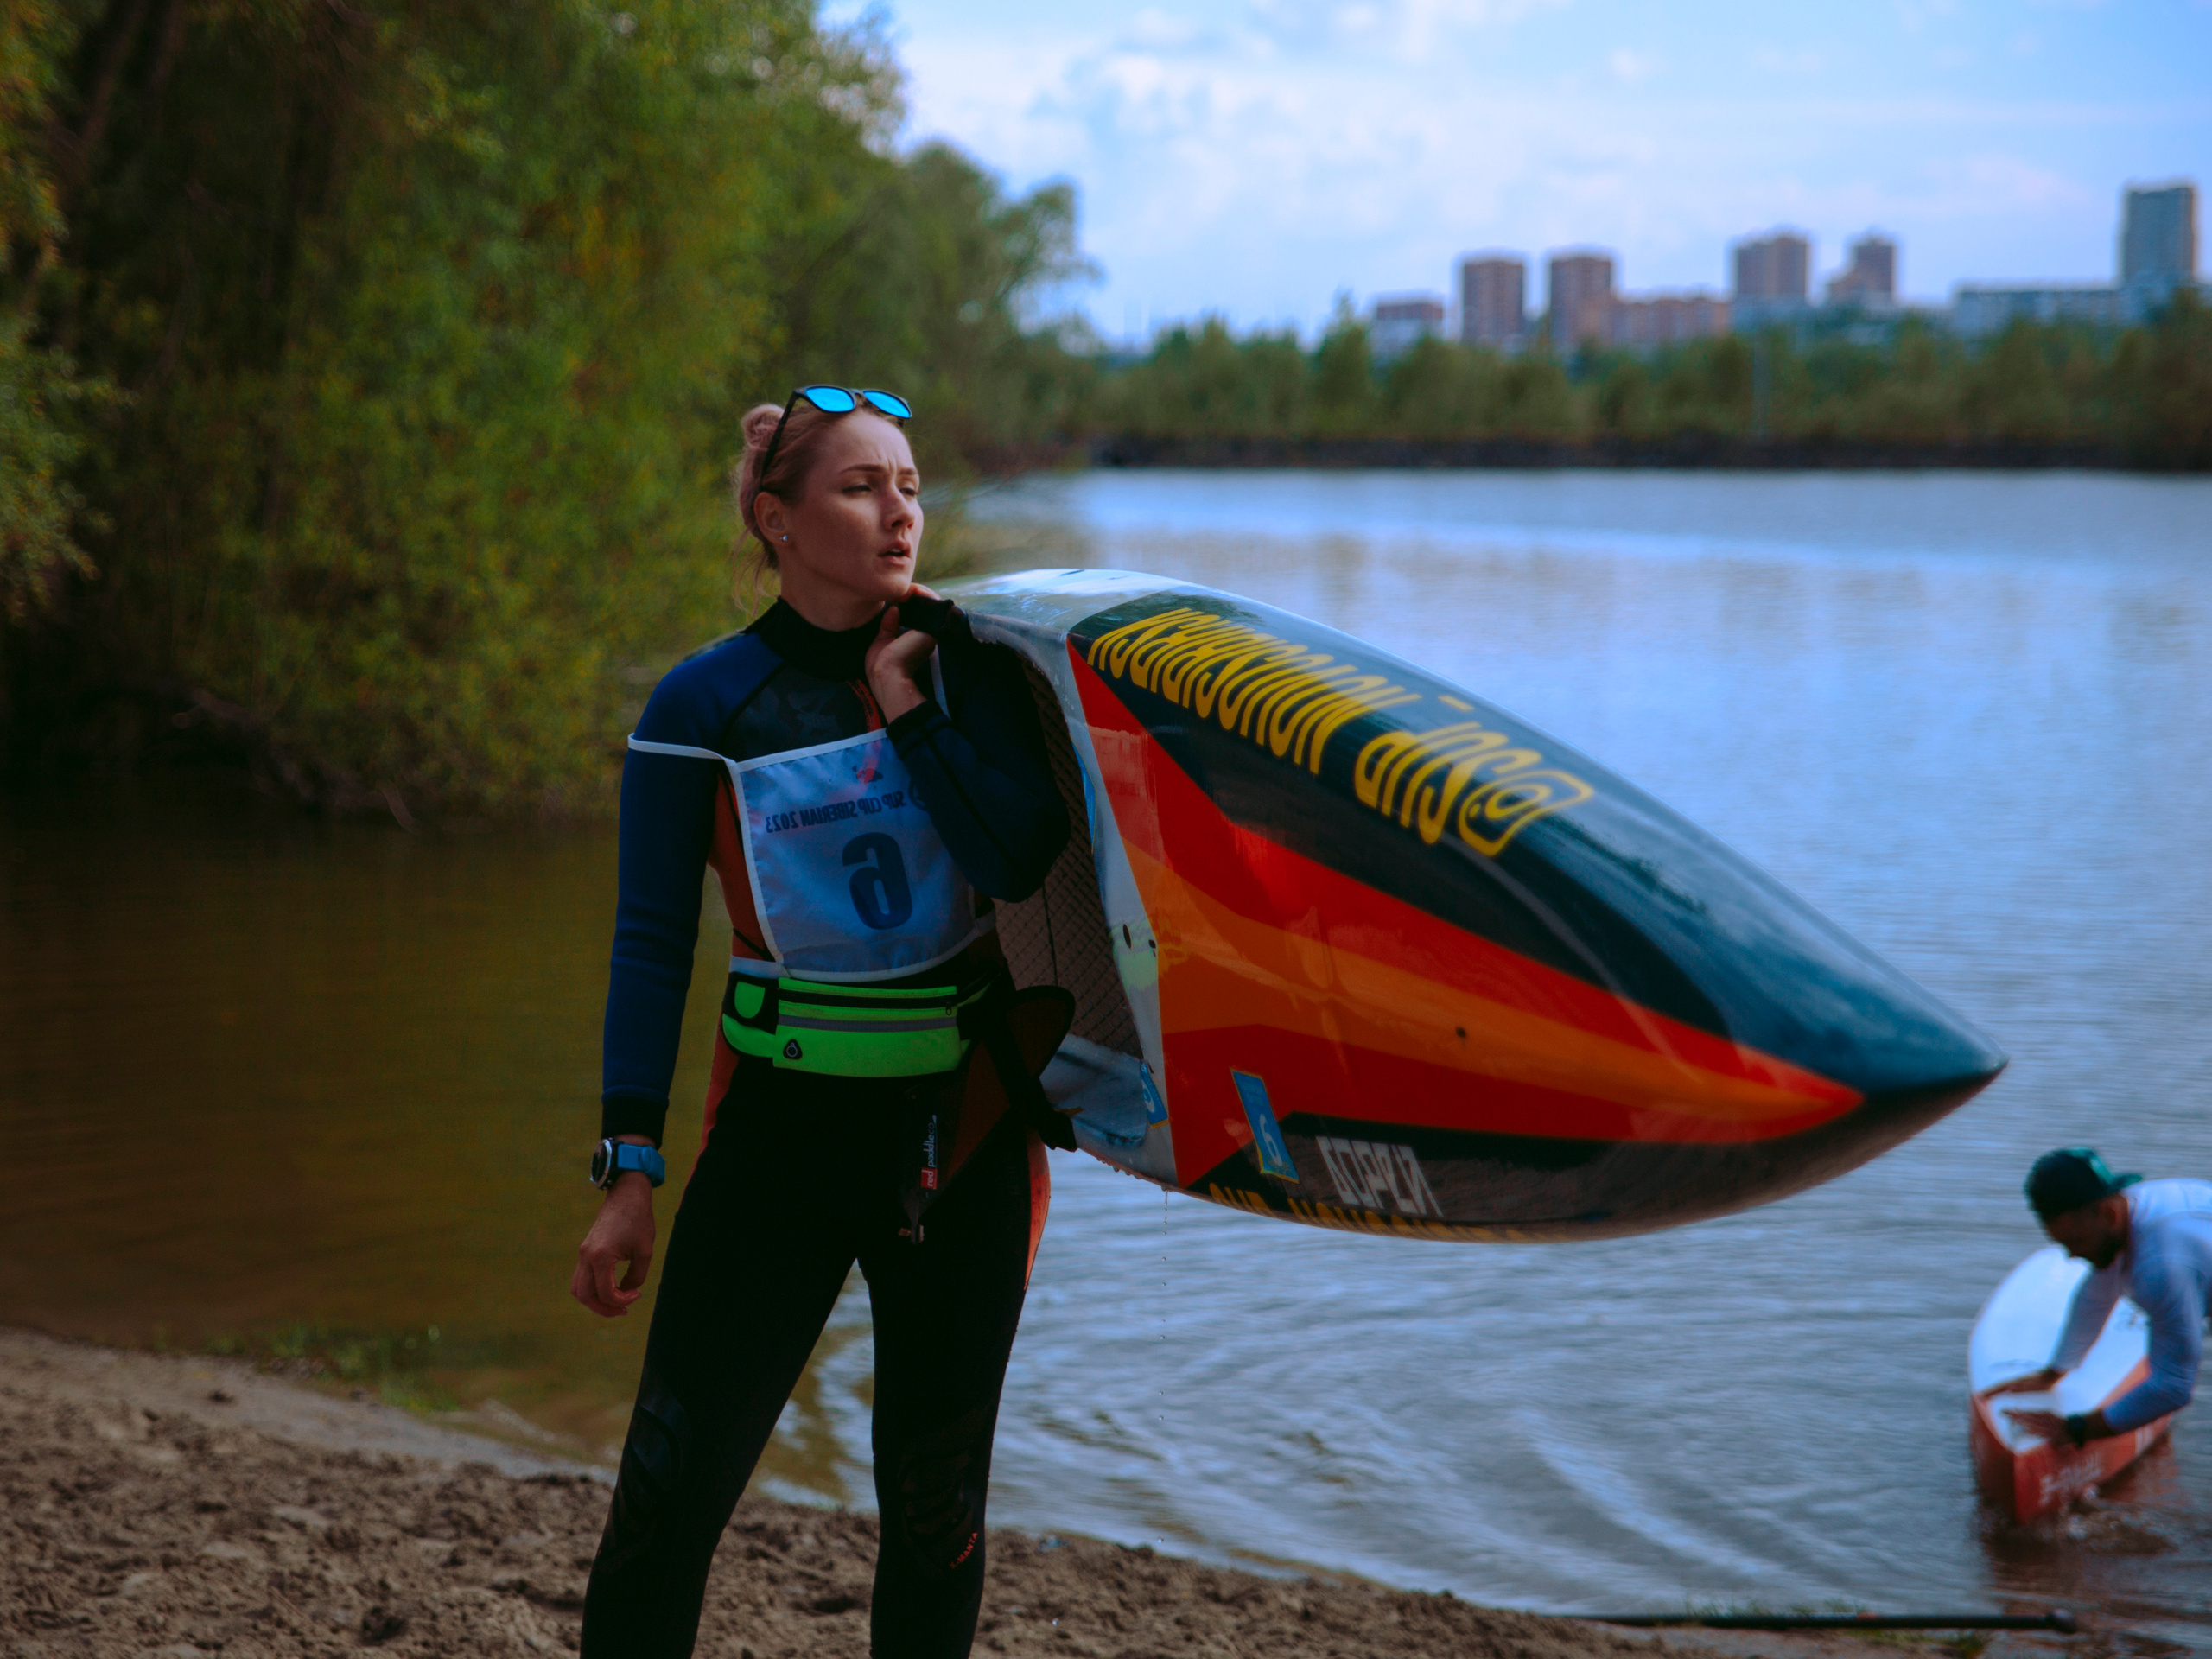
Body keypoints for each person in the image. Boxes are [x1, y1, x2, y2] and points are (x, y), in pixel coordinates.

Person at [569, 385, 1071, 1658]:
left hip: (958, 1144)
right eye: (860, 487)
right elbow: (648, 946)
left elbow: (1017, 860)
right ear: (776, 520)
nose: (900, 509)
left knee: (934, 1514)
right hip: (776, 1145)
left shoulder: (978, 677)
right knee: (664, 1507)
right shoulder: (704, 708)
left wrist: (909, 704)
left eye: (908, 483)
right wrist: (630, 1168)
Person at [1989, 1147, 2212, 1450]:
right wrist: (2053, 1373)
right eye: (2063, 1244)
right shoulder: (2132, 1209)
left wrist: (2078, 1428)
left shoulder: (2161, 1267)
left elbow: (2173, 1387)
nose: (2071, 1255)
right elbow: (2097, 1295)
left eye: (2076, 1241)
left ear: (2108, 1214)